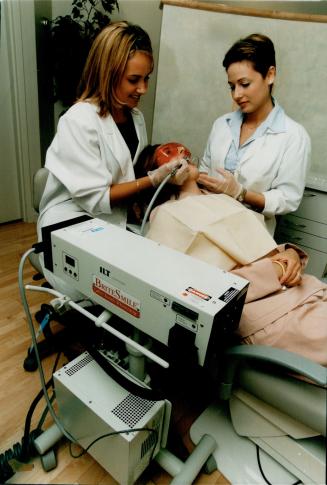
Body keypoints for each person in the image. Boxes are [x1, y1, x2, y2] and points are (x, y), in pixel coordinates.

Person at [138, 142, 327, 366]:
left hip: (307, 289)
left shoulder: (223, 198)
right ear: (156, 173)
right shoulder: (167, 215)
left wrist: (291, 254)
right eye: (167, 153)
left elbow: (260, 246)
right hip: (271, 314)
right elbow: (202, 293)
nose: (180, 152)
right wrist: (275, 270)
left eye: (181, 149)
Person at [37, 22, 189, 296]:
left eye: (147, 79)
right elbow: (96, 198)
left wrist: (165, 177)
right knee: (132, 289)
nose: (143, 88)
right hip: (71, 227)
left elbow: (126, 174)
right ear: (108, 73)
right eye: (134, 80)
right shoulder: (79, 120)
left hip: (112, 222)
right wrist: (152, 179)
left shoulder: (135, 118)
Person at [197, 33, 311, 235]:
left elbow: (287, 199)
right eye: (232, 87)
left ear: (270, 75)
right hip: (207, 222)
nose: (236, 95)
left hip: (250, 235)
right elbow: (205, 169)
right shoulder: (221, 125)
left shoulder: (294, 136)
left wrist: (241, 193)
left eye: (244, 84)